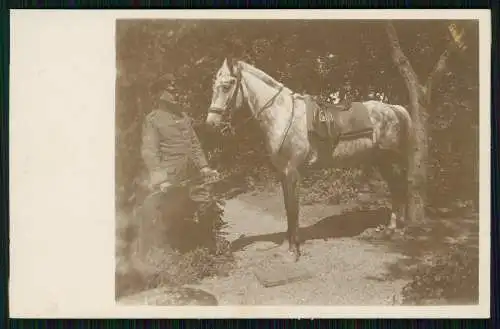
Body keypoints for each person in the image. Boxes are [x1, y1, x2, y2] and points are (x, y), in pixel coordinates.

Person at [136, 87, 220, 259]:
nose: (177, 94)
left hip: (191, 174)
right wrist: (161, 180)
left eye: (176, 90)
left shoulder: (183, 116)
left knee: (204, 204)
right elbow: (150, 152)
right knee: (163, 212)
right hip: (170, 177)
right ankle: (158, 253)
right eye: (171, 91)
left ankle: (207, 248)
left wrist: (204, 167)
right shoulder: (153, 119)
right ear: (161, 94)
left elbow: (194, 144)